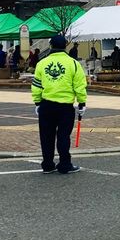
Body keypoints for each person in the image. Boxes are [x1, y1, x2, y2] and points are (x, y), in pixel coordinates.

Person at [31, 34, 87, 174]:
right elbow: (80, 85)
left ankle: (48, 164)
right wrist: (81, 103)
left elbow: (36, 85)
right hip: (65, 107)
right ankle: (65, 164)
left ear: (51, 46)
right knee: (63, 136)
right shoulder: (73, 63)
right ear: (65, 46)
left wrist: (37, 102)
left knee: (46, 136)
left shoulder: (42, 63)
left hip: (46, 105)